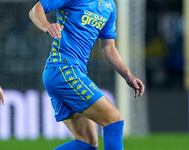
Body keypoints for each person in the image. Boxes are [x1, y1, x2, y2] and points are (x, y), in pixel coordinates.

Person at [29, 0, 145, 149]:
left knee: (86, 143)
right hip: (64, 69)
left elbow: (108, 47)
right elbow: (35, 10)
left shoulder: (109, 6)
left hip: (67, 73)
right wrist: (47, 26)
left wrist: (128, 75)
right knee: (114, 121)